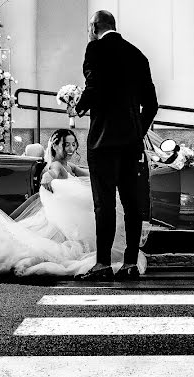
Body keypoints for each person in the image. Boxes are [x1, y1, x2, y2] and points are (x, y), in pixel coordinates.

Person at [0, 127, 147, 278]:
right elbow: (50, 173)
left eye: (73, 144)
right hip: (58, 221)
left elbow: (95, 177)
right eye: (66, 144)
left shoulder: (71, 166)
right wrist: (47, 178)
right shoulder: (57, 166)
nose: (70, 148)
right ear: (55, 145)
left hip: (68, 220)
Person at [73, 9, 158, 281]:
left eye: (89, 27)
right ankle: (131, 262)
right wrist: (137, 132)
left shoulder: (95, 49)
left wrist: (78, 107)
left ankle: (103, 264)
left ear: (95, 26)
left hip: (102, 142)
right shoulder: (137, 54)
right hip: (131, 144)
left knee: (104, 204)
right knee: (132, 203)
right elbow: (152, 104)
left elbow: (94, 85)